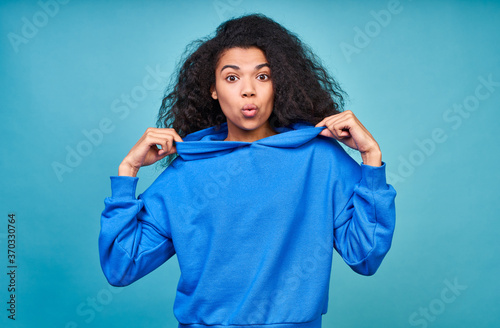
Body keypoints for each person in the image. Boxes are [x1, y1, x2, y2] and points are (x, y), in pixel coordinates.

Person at [99, 13, 396, 328]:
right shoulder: (187, 172)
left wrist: (370, 157)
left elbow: (365, 255)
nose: (248, 91)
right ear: (213, 89)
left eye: (263, 76)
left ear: (277, 84)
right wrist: (128, 171)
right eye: (231, 77)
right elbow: (121, 267)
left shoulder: (319, 159)